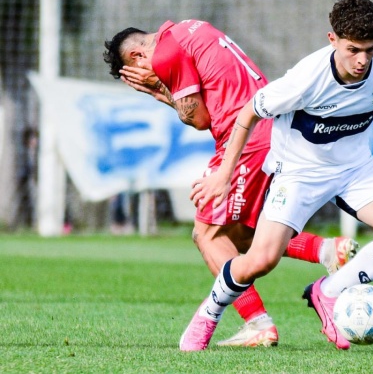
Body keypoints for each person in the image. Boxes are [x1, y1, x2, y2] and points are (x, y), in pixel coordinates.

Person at [188, 0, 373, 350]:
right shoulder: (304, 80)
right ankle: (209, 314)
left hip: (355, 169)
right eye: (353, 50)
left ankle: (330, 291)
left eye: (369, 49)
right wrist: (224, 175)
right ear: (332, 39)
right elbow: (247, 114)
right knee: (260, 261)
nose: (363, 60)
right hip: (299, 175)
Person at [102, 20, 359, 348]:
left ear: (138, 58)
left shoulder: (165, 56)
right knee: (240, 234)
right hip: (272, 129)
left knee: (207, 234)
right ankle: (324, 250)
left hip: (246, 141)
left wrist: (159, 91)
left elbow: (199, 119)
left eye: (134, 72)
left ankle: (257, 322)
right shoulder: (190, 28)